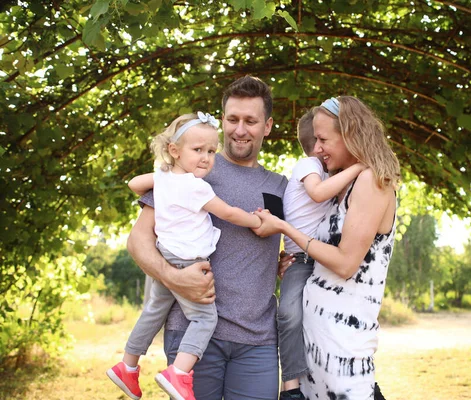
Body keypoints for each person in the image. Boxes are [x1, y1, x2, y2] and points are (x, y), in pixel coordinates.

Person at [126, 76, 288, 399]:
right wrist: (175, 277)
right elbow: (138, 241)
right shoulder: (191, 170)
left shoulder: (280, 187)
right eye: (232, 119)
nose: (239, 129)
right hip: (193, 336)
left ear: (267, 126)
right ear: (223, 119)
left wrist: (284, 262)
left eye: (250, 121)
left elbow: (280, 240)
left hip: (257, 342)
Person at [107, 111, 263, 400]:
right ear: (174, 150)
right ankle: (178, 374)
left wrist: (159, 180)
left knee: (154, 310)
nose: (205, 158)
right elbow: (227, 213)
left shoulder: (164, 177)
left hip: (165, 253)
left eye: (211, 151)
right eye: (198, 150)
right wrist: (256, 221)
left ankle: (127, 366)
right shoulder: (195, 186)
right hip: (187, 260)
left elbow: (133, 184)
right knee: (205, 319)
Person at [254, 96, 400, 399]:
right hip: (314, 349)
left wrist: (285, 229)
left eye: (322, 139)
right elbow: (322, 252)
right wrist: (294, 261)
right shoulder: (340, 184)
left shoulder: (372, 180)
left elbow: (346, 263)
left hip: (342, 351)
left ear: (350, 136)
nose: (315, 147)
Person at [278, 108, 365, 400]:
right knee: (289, 315)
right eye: (319, 140)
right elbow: (316, 194)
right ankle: (289, 387)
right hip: (300, 261)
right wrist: (358, 166)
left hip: (324, 260)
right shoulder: (307, 166)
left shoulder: (335, 176)